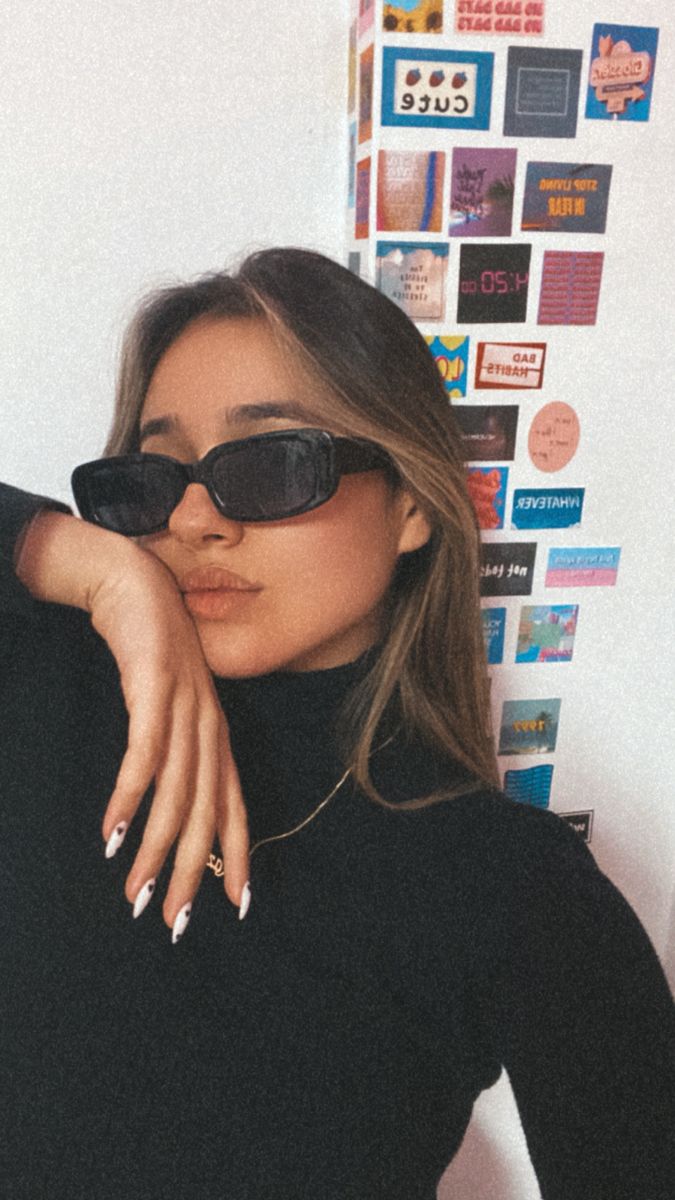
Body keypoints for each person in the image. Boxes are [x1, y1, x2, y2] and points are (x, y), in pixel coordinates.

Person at [0, 247, 673, 1200]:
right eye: (153, 477)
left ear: (410, 504)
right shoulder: (37, 688)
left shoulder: (502, 884)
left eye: (271, 465)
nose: (192, 519)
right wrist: (84, 565)